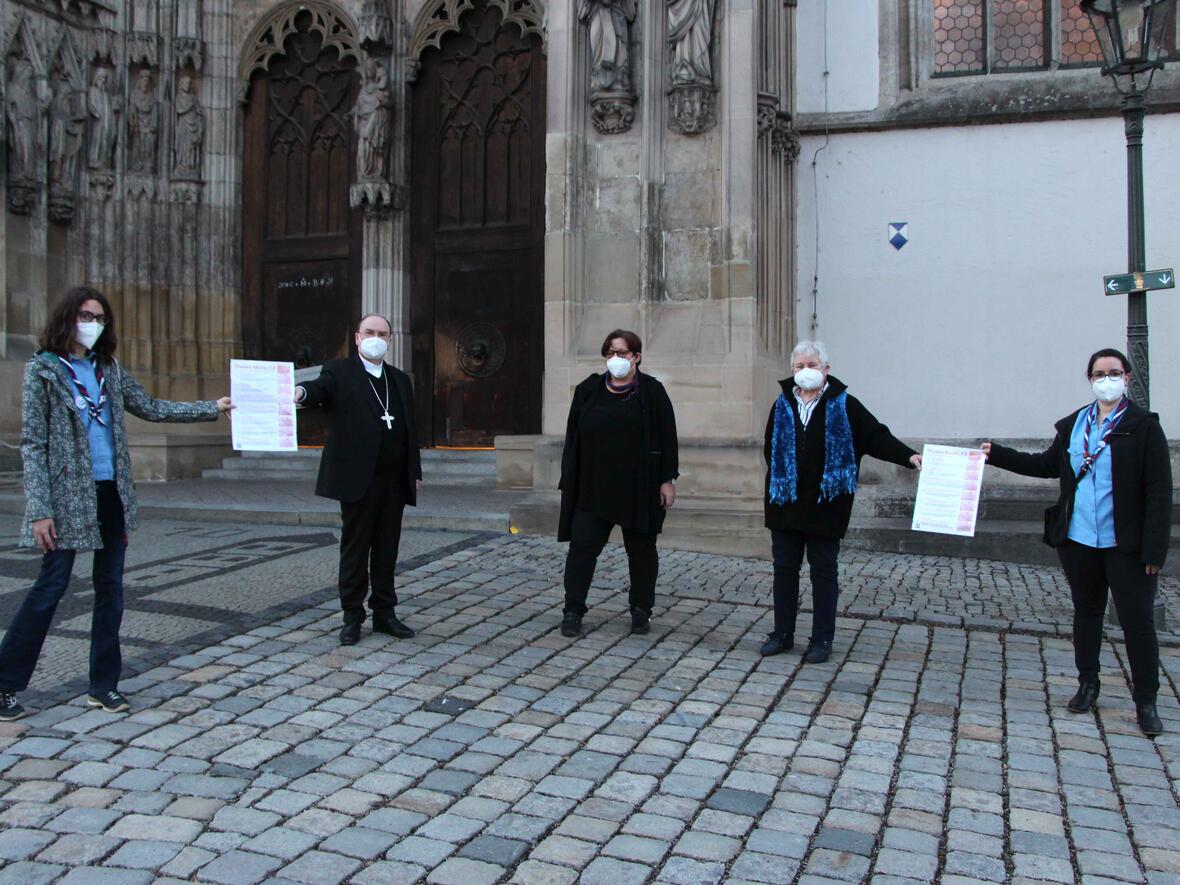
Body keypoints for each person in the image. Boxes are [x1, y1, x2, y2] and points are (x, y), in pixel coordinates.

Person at [0, 287, 232, 721]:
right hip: (68, 495)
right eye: (86, 316)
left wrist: (212, 407)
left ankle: (103, 684)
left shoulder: (108, 368)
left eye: (101, 318)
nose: (93, 324)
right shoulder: (44, 370)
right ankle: (4, 682)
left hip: (112, 492)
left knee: (111, 590)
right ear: (68, 317)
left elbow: (150, 407)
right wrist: (40, 509)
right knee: (50, 587)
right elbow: (33, 443)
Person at [982, 348, 1172, 736]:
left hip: (1127, 544)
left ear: (1127, 378)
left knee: (1137, 622)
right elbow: (1046, 465)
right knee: (1087, 613)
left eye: (1114, 372)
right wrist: (996, 455)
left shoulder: (1143, 426)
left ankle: (1146, 700)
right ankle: (1088, 683)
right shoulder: (1074, 424)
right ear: (1090, 379)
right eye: (1099, 373)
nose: (1107, 379)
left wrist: (1154, 549)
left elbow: (1158, 491)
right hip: (1080, 538)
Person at [762, 341, 921, 664]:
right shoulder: (782, 405)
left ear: (826, 369)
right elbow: (769, 449)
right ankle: (782, 633)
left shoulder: (845, 405)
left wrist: (908, 455)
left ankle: (821, 638)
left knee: (823, 572)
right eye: (799, 366)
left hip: (826, 504)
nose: (805, 371)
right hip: (786, 503)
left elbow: (876, 437)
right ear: (792, 371)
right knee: (784, 570)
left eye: (812, 365)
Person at [295, 315, 422, 646]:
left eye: (382, 334)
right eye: (370, 332)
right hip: (358, 478)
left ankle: (385, 612)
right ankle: (352, 615)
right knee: (355, 548)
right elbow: (317, 390)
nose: (376, 338)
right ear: (357, 337)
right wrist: (299, 392)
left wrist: (414, 472)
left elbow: (410, 428)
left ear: (390, 340)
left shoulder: (399, 379)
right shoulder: (339, 371)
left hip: (394, 479)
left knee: (387, 549)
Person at [558, 329, 678, 637]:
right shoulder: (588, 390)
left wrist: (667, 479)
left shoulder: (652, 392)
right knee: (582, 550)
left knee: (641, 552)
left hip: (638, 487)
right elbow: (573, 437)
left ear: (636, 357)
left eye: (622, 353)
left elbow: (667, 438)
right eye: (610, 353)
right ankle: (573, 609)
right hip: (593, 485)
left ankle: (641, 610)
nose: (615, 359)